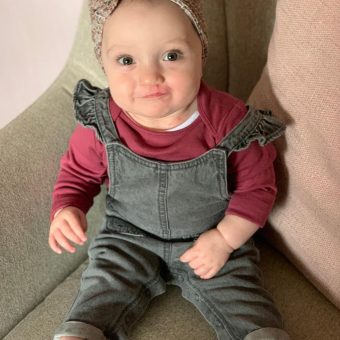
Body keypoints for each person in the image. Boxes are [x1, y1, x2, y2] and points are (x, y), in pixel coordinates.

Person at [49, 0, 290, 339]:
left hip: (209, 237)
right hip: (128, 237)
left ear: (200, 53)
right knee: (102, 285)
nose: (150, 77)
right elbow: (78, 173)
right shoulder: (101, 123)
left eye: (172, 56)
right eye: (126, 60)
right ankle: (82, 331)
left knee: (243, 298)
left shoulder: (229, 124)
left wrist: (224, 239)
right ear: (103, 63)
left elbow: (258, 188)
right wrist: (67, 207)